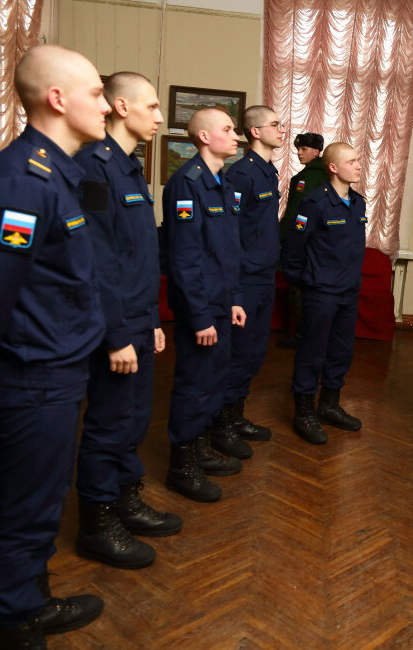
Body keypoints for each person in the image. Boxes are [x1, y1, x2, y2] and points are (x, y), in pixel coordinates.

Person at [0, 44, 110, 649]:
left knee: (42, 500)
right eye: (94, 92)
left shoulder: (63, 172)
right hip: (35, 374)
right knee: (27, 510)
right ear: (56, 99)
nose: (106, 105)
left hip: (60, 366)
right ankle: (14, 626)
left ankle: (29, 601)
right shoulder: (19, 182)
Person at [72, 71, 182, 571]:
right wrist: (118, 334)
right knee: (109, 421)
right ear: (120, 105)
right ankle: (97, 523)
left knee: (135, 417)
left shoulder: (130, 167)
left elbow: (137, 256)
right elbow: (97, 262)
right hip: (113, 326)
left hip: (137, 319)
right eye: (153, 107)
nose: (160, 117)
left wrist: (152, 320)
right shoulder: (94, 167)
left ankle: (124, 500)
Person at [161, 107, 246, 502]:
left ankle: (198, 449)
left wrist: (234, 301)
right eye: (228, 129)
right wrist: (199, 316)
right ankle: (183, 466)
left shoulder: (222, 183)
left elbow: (226, 252)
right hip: (201, 309)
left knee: (214, 380)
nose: (236, 136)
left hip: (220, 304)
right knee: (194, 384)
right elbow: (184, 257)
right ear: (205, 137)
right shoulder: (187, 183)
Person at [281, 142, 365, 444]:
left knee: (341, 352)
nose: (358, 165)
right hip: (320, 292)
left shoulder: (358, 202)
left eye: (358, 160)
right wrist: (305, 283)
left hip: (348, 292)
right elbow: (293, 249)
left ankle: (329, 406)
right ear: (333, 167)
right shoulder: (314, 203)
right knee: (312, 352)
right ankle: (304, 413)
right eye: (352, 161)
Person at [220, 105, 285, 444]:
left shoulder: (267, 171)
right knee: (239, 352)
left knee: (255, 351)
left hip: (264, 274)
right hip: (245, 277)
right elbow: (231, 230)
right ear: (255, 131)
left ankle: (236, 417)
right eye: (274, 124)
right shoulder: (243, 173)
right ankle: (222, 426)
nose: (281, 129)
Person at [278, 132, 328, 348]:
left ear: (316, 152)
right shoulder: (329, 173)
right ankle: (314, 337)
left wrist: (280, 236)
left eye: (304, 149)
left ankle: (301, 336)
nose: (299, 153)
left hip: (303, 242)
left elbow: (295, 212)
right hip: (322, 243)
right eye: (298, 149)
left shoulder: (306, 178)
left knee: (298, 287)